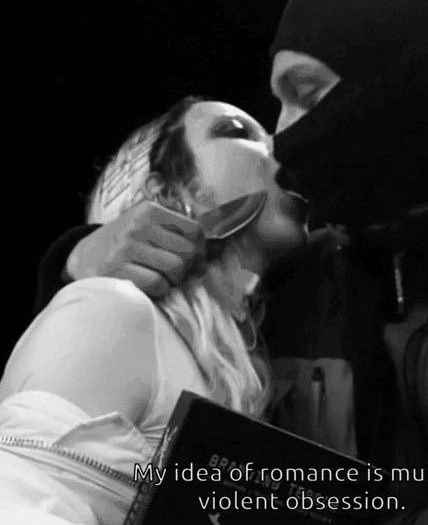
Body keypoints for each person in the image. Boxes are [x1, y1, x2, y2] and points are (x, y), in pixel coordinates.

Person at [30, 0, 428, 525]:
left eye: (306, 92)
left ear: (410, 80)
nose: (283, 140)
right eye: (250, 125)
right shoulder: (287, 292)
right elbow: (63, 436)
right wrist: (77, 261)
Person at [0, 97, 307, 524]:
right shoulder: (112, 314)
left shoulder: (262, 345)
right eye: (236, 132)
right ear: (163, 192)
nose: (281, 147)